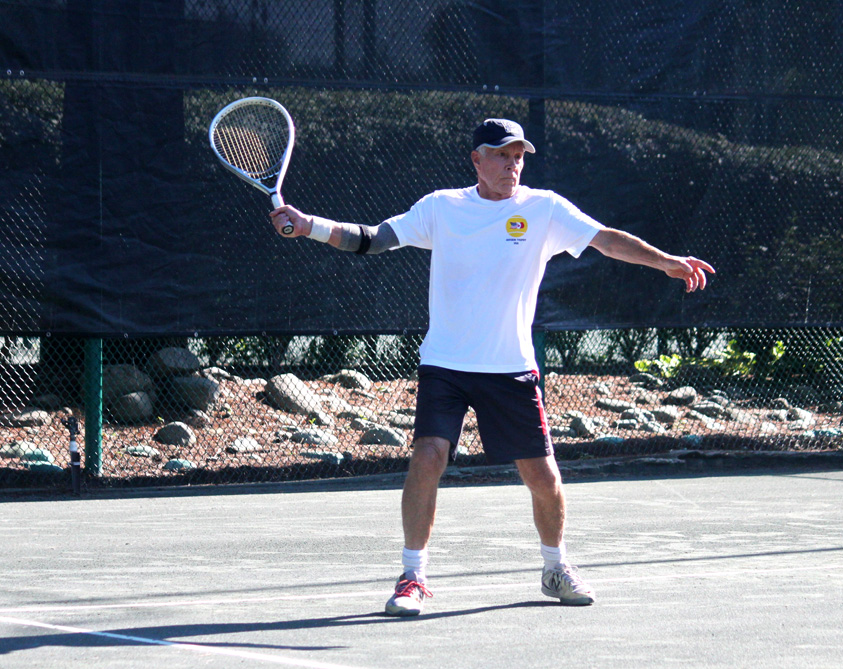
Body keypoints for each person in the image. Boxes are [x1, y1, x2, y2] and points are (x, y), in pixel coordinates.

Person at [271, 118, 715, 617]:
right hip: (445, 364)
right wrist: (308, 225)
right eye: (502, 155)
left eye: (518, 156)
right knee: (427, 458)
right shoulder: (442, 207)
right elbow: (372, 238)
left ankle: (555, 567)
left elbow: (606, 240)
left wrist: (666, 261)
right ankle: (412, 576)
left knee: (542, 476)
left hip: (510, 369)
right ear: (477, 160)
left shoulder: (545, 208)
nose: (512, 165)